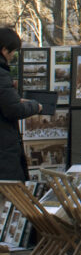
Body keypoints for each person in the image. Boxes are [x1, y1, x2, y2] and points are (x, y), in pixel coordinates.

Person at [0, 27, 43, 183]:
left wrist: (11, 92)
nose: (13, 56)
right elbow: (13, 109)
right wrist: (35, 106)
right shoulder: (1, 73)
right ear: (4, 50)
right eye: (13, 52)